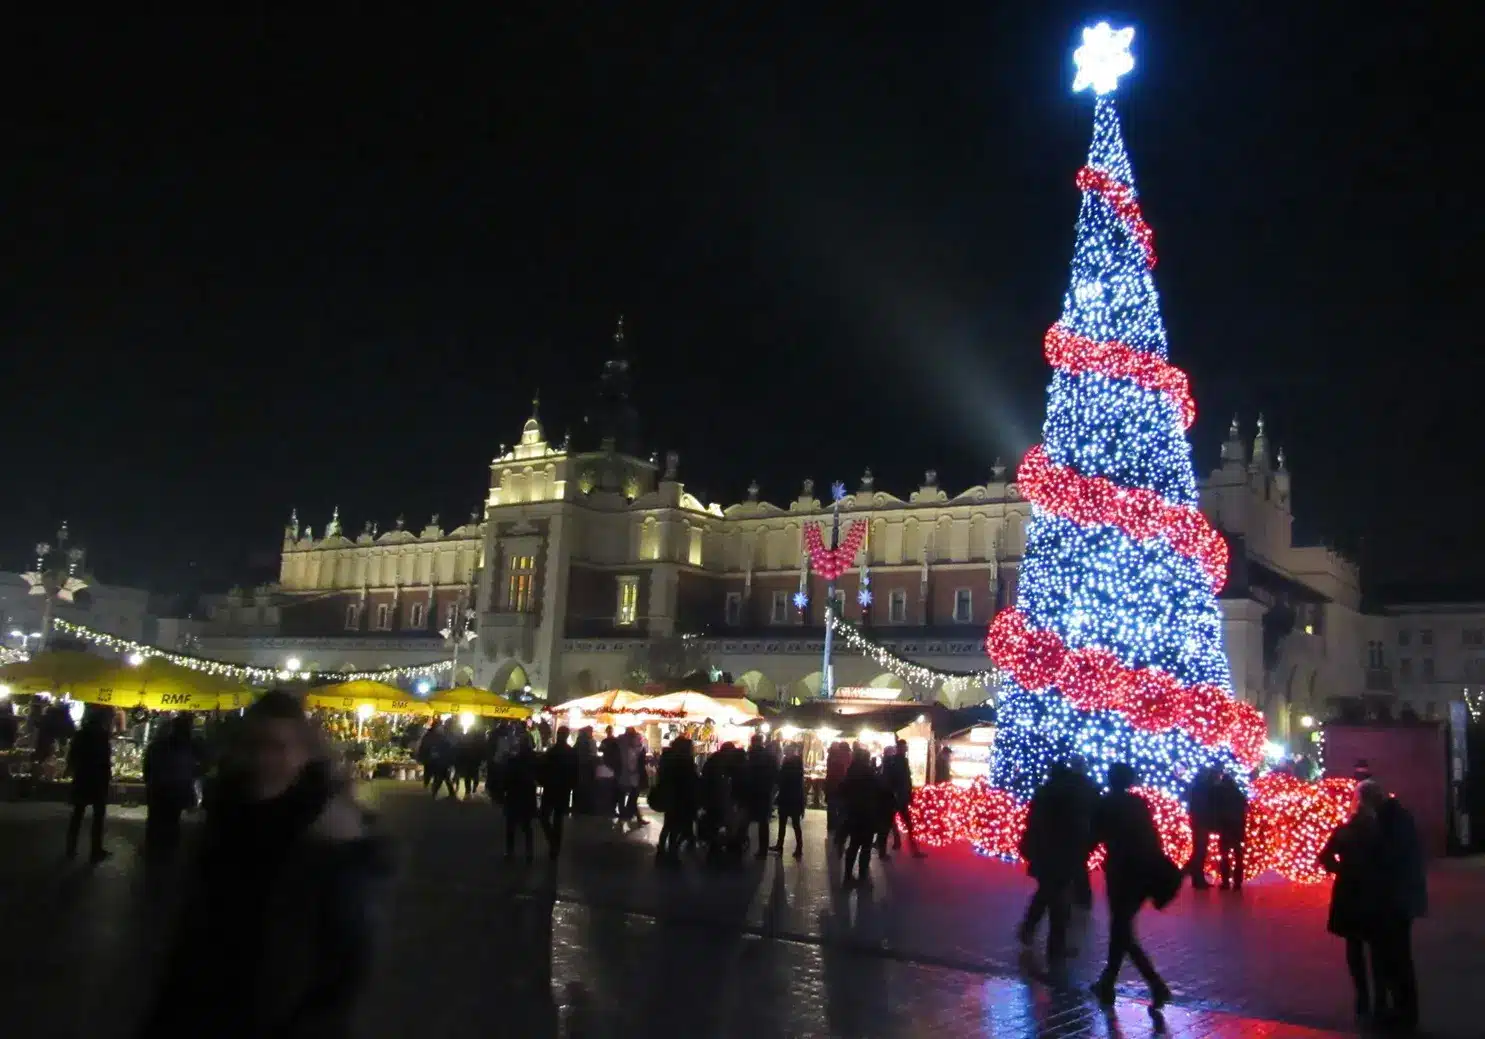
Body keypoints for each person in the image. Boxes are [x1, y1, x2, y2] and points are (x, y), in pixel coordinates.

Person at [133, 690, 391, 1038]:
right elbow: (193, 935)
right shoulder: (225, 818)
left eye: (277, 746)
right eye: (254, 745)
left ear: (304, 754)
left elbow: (344, 967)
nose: (264, 758)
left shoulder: (333, 839)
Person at [1090, 762, 1172, 1008]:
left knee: (1122, 930)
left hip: (1121, 872)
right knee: (1121, 928)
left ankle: (1156, 984)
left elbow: (1094, 835)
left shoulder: (1107, 803)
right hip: (1143, 873)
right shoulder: (1138, 804)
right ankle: (1108, 982)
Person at [1364, 780, 1426, 1031]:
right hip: (1400, 898)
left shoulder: (1388, 821)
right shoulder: (1397, 815)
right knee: (1397, 958)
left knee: (1396, 958)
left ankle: (1404, 1014)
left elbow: (1388, 858)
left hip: (1395, 900)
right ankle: (1402, 1011)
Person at [1017, 762, 1094, 965]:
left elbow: (1033, 822)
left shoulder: (1045, 793)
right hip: (1063, 853)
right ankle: (1054, 945)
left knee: (1047, 893)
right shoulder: (1070, 797)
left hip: (1044, 852)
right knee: (1058, 899)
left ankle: (1031, 929)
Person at [1318, 785, 1384, 1019]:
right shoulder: (1380, 831)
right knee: (1377, 946)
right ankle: (1380, 998)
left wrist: (1342, 870)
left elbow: (1324, 857)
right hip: (1374, 891)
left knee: (1354, 946)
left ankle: (1362, 996)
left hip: (1349, 891)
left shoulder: (1345, 830)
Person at [143, 713, 200, 853]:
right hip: (175, 792)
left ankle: (154, 850)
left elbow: (147, 767)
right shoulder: (188, 747)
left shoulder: (158, 745)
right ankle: (167, 852)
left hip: (157, 789)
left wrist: (149, 782)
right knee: (172, 822)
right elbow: (193, 770)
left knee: (155, 821)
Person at [65, 706, 113, 863]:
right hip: (98, 779)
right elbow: (106, 759)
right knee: (98, 816)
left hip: (82, 777)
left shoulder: (81, 734)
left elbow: (72, 755)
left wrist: (71, 769)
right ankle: (95, 849)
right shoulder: (102, 736)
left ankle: (70, 848)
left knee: (77, 814)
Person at [653, 736, 699, 864]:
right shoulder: (685, 761)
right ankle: (672, 852)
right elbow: (690, 780)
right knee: (676, 827)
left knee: (668, 825)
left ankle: (662, 849)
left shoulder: (667, 758)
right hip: (681, 797)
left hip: (669, 795)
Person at [840, 745, 880, 885]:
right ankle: (863, 876)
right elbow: (877, 788)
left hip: (854, 813)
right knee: (866, 847)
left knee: (853, 845)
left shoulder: (851, 771)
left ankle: (847, 876)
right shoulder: (869, 771)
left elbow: (844, 789)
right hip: (867, 813)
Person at [882, 738, 925, 858]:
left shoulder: (898, 760)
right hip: (898, 796)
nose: (906, 749)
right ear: (900, 748)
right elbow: (901, 779)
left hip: (899, 796)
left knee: (894, 823)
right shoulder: (896, 761)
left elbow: (904, 779)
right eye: (904, 747)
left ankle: (899, 846)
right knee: (897, 823)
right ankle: (910, 849)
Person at [539, 727, 578, 859]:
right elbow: (575, 773)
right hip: (563, 790)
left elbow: (543, 769)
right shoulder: (571, 753)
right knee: (558, 819)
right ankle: (555, 845)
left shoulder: (552, 752)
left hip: (551, 788)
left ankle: (553, 843)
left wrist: (543, 781)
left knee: (545, 817)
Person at [1211, 770, 1249, 890]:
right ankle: (1237, 883)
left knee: (1224, 856)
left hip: (1225, 828)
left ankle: (1226, 882)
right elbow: (1245, 809)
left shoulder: (1219, 795)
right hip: (1237, 829)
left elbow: (1216, 811)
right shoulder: (1238, 794)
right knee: (1238, 856)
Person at [504, 738, 539, 862]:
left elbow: (507, 778)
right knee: (527, 826)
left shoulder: (514, 761)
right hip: (527, 796)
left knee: (511, 826)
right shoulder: (534, 761)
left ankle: (510, 851)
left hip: (514, 795)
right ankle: (529, 852)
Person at [744, 733, 778, 858]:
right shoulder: (769, 756)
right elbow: (775, 773)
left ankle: (741, 844)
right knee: (763, 822)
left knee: (746, 819)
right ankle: (762, 850)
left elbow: (747, 772)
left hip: (752, 791)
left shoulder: (751, 755)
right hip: (764, 792)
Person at [1186, 765, 1218, 889]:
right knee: (1200, 850)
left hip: (1197, 821)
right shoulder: (1204, 788)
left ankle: (1197, 878)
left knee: (1199, 850)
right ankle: (1198, 879)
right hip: (1201, 822)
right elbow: (1205, 806)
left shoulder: (1197, 787)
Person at [772, 743, 806, 858]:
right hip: (793, 797)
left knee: (788, 822)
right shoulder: (796, 762)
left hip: (789, 796)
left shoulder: (790, 763)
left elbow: (782, 779)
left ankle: (784, 845)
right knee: (793, 823)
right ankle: (795, 847)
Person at [616, 728, 649, 824]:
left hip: (623, 774)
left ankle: (629, 815)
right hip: (633, 774)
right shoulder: (633, 748)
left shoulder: (621, 744)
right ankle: (630, 815)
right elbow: (632, 762)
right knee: (633, 796)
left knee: (625, 796)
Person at [418, 719, 456, 799]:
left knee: (441, 776)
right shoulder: (443, 735)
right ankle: (438, 792)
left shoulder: (441, 735)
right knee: (442, 776)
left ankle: (435, 792)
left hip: (440, 759)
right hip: (439, 759)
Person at [455, 727, 484, 800]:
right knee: (474, 775)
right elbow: (481, 751)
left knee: (468, 776)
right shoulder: (478, 740)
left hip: (468, 759)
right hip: (474, 760)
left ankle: (468, 790)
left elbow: (462, 749)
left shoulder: (466, 738)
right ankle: (473, 788)